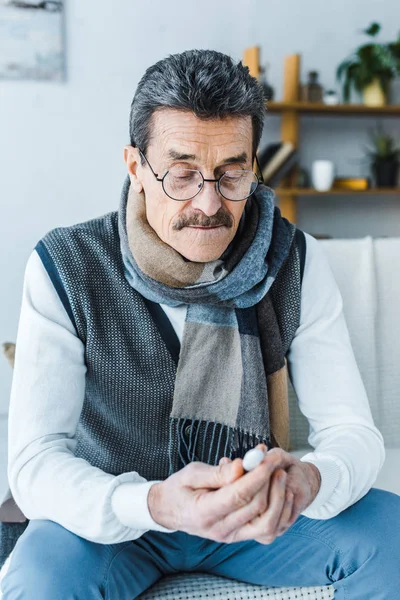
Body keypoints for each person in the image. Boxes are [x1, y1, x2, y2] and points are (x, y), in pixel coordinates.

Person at [1, 49, 399, 600]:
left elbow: (353, 432)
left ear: (255, 165)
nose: (209, 203)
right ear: (136, 167)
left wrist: (309, 481)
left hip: (256, 518)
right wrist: (155, 502)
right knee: (38, 579)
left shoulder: (296, 260)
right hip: (119, 521)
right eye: (183, 174)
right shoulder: (65, 265)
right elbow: (35, 460)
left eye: (232, 172)